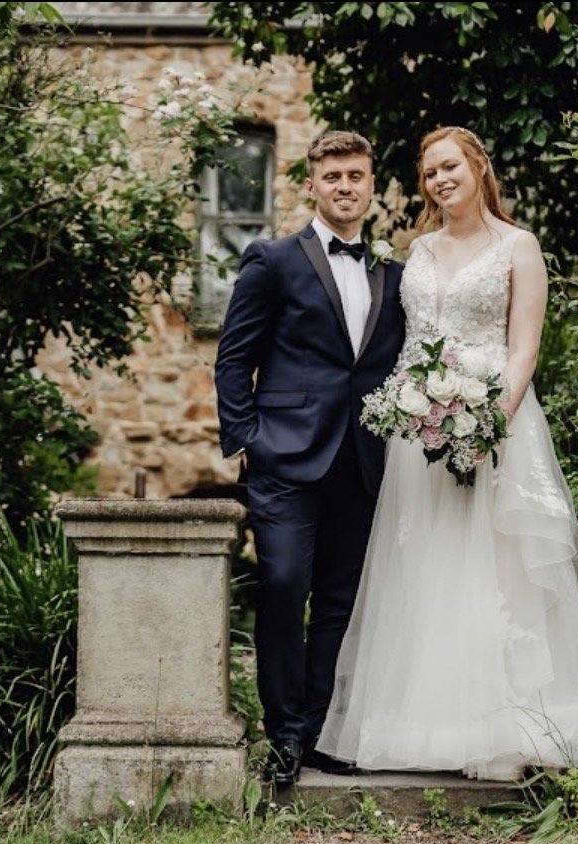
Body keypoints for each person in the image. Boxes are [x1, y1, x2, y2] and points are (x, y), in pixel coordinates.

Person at [314, 126, 578, 781]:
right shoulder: (418, 250)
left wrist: (487, 426)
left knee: (496, 570)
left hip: (496, 423)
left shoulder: (520, 247)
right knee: (425, 567)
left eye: (449, 166)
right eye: (429, 172)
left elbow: (523, 349)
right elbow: (405, 341)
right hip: (417, 433)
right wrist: (415, 406)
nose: (439, 180)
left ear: (479, 166)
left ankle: (508, 726)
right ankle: (428, 728)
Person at [214, 130, 406, 784]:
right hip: (284, 458)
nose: (345, 186)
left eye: (356, 175)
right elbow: (235, 358)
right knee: (283, 583)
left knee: (337, 601)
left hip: (362, 458)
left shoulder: (391, 270)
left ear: (371, 185)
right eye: (333, 177)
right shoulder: (272, 260)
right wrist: (247, 440)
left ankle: (318, 731)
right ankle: (283, 732)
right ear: (313, 184)